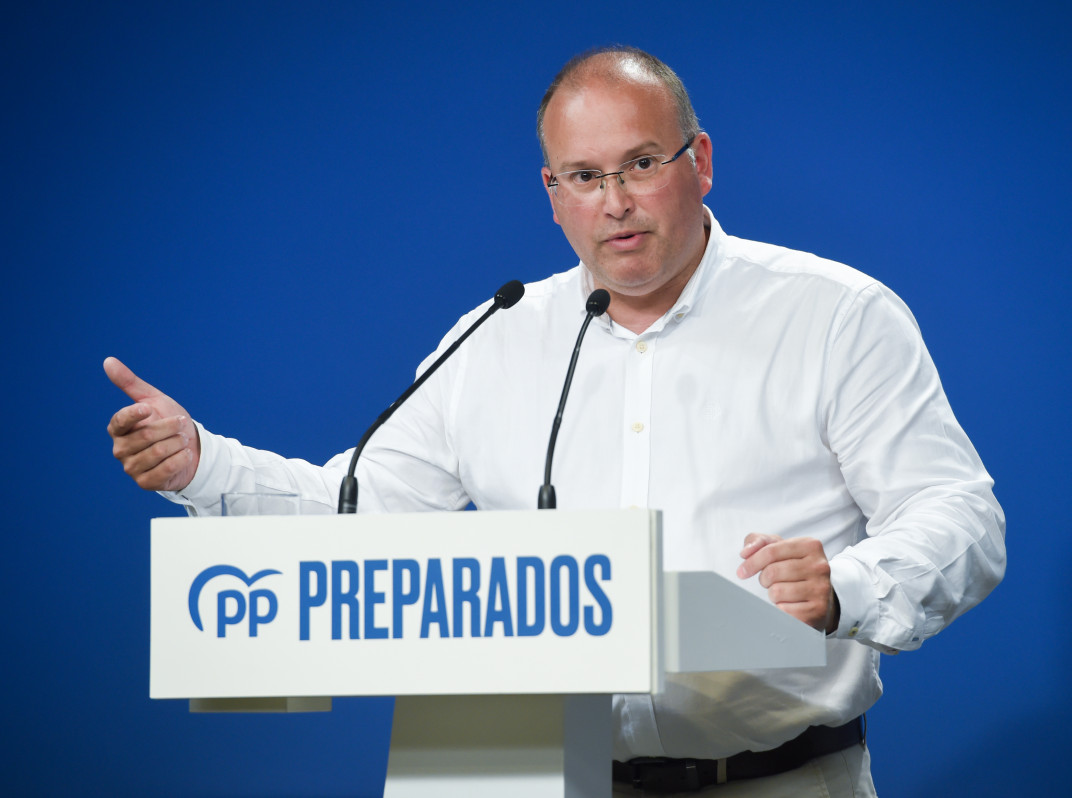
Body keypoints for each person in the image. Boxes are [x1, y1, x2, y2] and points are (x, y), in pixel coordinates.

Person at [107, 46, 1005, 796]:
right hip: (543, 779)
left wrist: (848, 585)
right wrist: (204, 468)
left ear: (700, 161)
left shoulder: (834, 316)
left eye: (641, 164)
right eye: (585, 176)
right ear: (552, 191)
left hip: (783, 777)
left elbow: (960, 517)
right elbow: (361, 516)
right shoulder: (496, 337)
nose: (614, 200)